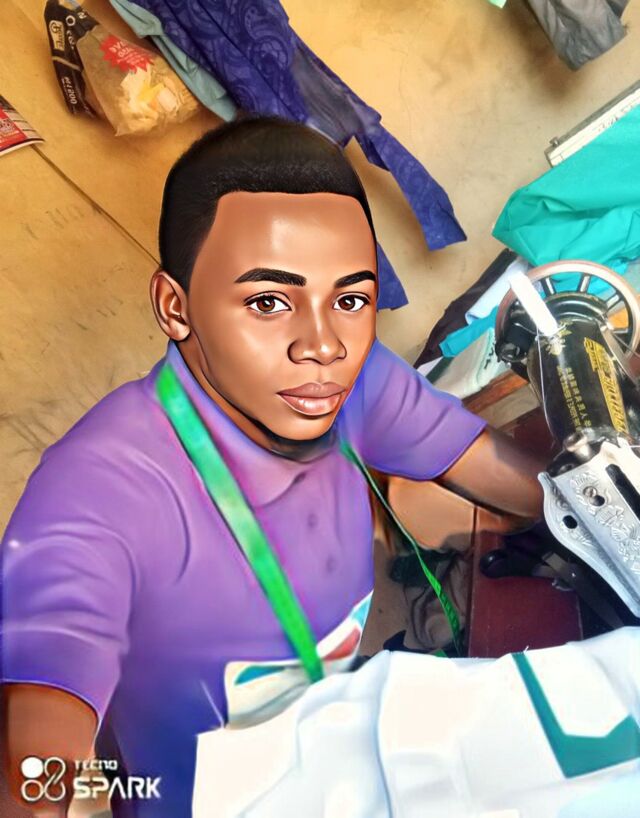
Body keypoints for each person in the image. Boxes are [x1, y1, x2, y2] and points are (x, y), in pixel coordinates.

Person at [1, 116, 545, 818]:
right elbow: (34, 769)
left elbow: (479, 460)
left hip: (344, 754)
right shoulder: (100, 491)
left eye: (350, 300)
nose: (323, 344)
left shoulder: (354, 383)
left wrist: (588, 507)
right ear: (175, 307)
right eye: (268, 302)